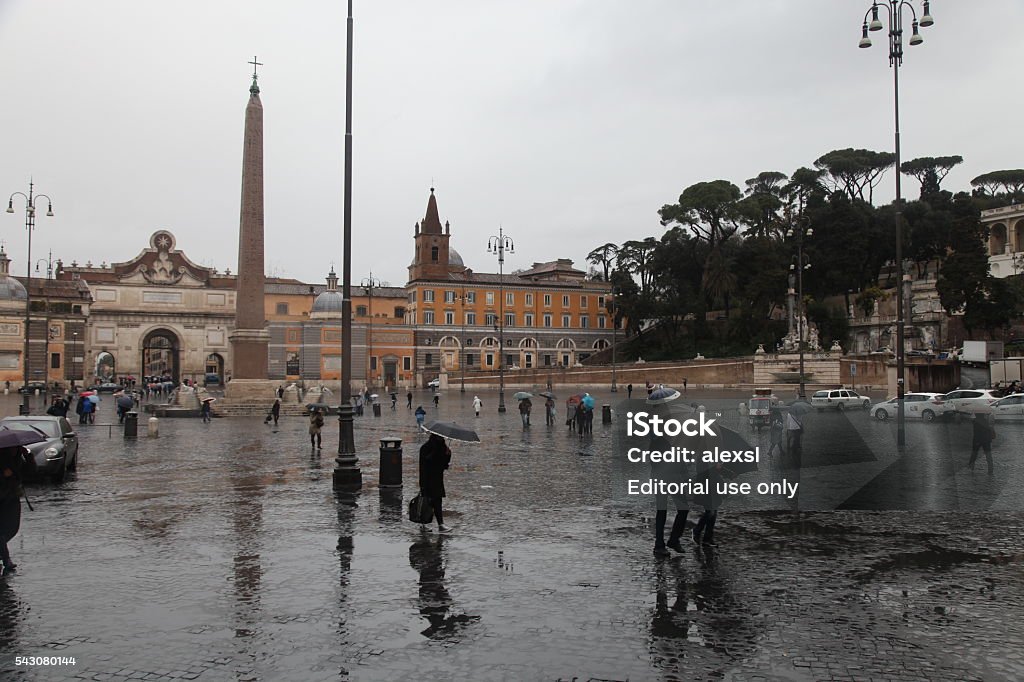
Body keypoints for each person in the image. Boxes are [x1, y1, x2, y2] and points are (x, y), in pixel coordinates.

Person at [1, 445, 36, 575]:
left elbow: (30, 473)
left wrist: (28, 456)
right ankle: (6, 558)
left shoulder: (18, 456)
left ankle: (3, 554)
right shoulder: (4, 456)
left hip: (12, 496)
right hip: (2, 496)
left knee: (12, 528)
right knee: (1, 531)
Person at [419, 433, 452, 533]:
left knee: (437, 502)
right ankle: (425, 524)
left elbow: (445, 465)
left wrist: (448, 455)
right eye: (440, 437)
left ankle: (440, 524)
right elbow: (424, 465)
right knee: (427, 502)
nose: (441, 438)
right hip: (428, 478)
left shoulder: (443, 447)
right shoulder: (426, 448)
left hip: (437, 478)